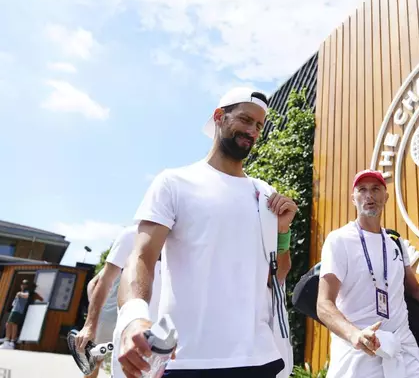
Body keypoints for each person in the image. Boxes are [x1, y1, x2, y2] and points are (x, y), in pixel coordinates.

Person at [116, 87, 297, 378]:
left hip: (258, 359)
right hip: (187, 360)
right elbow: (141, 257)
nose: (252, 130)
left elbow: (276, 276)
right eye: (245, 119)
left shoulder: (265, 194)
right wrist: (134, 317)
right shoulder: (174, 182)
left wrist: (283, 231)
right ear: (218, 117)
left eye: (259, 126)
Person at [316, 170, 419, 378]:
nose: (369, 195)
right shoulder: (339, 240)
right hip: (361, 351)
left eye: (375, 189)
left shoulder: (395, 242)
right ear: (353, 198)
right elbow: (324, 304)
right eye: (362, 190)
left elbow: (415, 289)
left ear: (386, 196)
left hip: (403, 347)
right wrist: (354, 335)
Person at [73, 224, 163, 378]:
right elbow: (101, 281)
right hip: (123, 322)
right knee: (96, 358)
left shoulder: (187, 242)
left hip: (165, 337)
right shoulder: (131, 235)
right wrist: (90, 323)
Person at [0, 279, 43, 349]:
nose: (22, 285)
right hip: (14, 310)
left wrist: (19, 294)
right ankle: (8, 341)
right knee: (10, 324)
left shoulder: (26, 292)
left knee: (12, 324)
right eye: (22, 284)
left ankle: (10, 342)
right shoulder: (21, 292)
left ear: (26, 286)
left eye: (24, 284)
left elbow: (27, 296)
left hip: (18, 311)